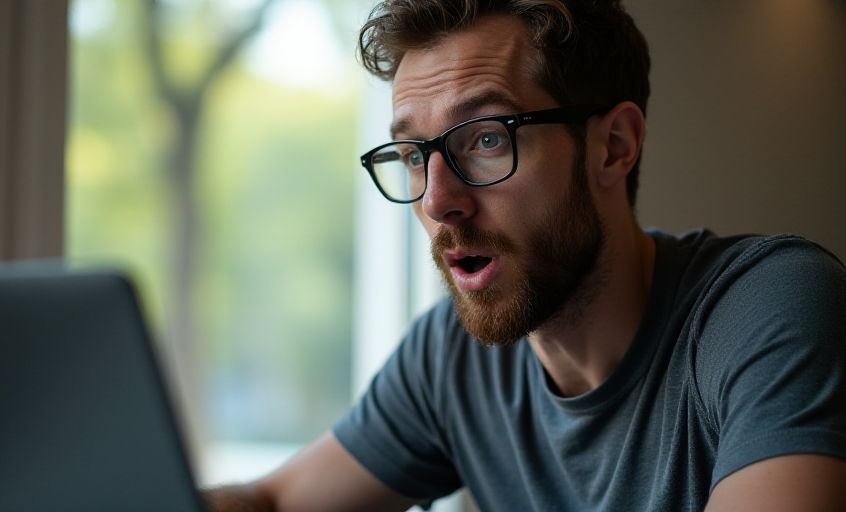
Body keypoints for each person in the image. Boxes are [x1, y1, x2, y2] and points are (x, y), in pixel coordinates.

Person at [204, 0, 846, 510]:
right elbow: (271, 501)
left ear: (614, 147)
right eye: (411, 157)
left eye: (485, 138)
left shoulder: (768, 306)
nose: (438, 201)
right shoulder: (451, 360)